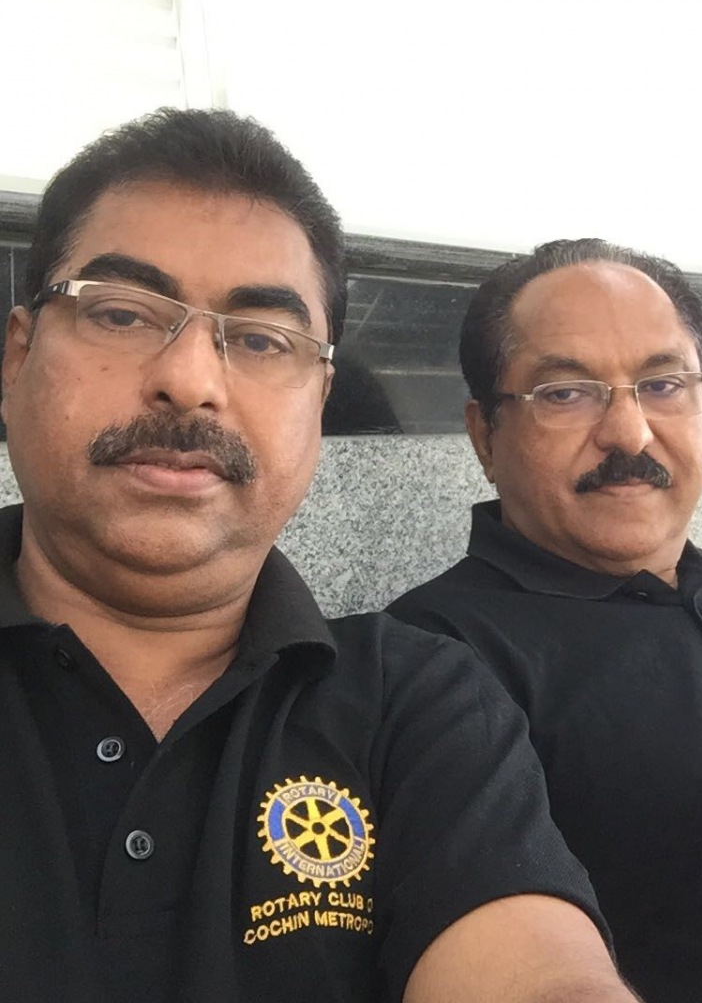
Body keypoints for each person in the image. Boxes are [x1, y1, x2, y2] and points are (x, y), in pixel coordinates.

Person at [0, 118, 639, 1003]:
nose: (191, 380)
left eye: (262, 339)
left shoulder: (416, 702)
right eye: (121, 313)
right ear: (18, 357)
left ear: (320, 399)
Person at [389, 238, 702, 1003]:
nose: (629, 434)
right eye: (566, 393)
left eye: (662, 385)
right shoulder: (432, 659)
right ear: (485, 434)